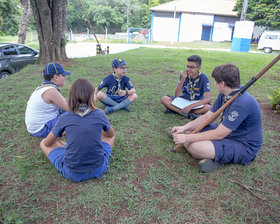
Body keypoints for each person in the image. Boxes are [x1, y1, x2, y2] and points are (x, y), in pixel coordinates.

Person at [172, 63, 263, 172]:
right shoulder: (225, 94)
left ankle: (219, 158)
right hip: (227, 132)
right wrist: (184, 128)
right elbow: (207, 116)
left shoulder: (242, 103)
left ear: (223, 84)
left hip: (243, 145)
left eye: (215, 81)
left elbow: (219, 134)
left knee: (196, 147)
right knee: (190, 131)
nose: (214, 84)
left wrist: (186, 138)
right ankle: (215, 153)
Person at [40, 78, 115, 182]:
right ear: (91, 96)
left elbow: (48, 142)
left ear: (71, 97)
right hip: (98, 169)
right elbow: (110, 135)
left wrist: (62, 134)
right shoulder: (100, 114)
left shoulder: (65, 117)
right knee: (108, 137)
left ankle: (66, 147)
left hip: (72, 173)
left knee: (43, 143)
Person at [25, 63, 70, 138]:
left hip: (35, 127)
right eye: (63, 75)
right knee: (75, 116)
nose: (65, 78)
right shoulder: (51, 91)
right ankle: (61, 133)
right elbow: (70, 109)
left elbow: (64, 102)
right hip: (41, 129)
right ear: (55, 77)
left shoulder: (44, 87)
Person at [161, 55, 211, 120]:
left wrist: (190, 106)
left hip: (196, 102)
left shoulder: (204, 78)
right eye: (187, 66)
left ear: (199, 68)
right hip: (183, 100)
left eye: (192, 67)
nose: (188, 69)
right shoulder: (184, 75)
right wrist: (182, 80)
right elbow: (177, 95)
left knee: (207, 108)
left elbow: (208, 99)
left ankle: (174, 110)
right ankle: (187, 114)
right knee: (164, 99)